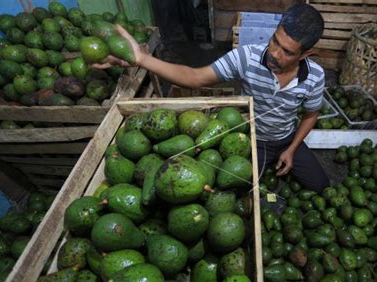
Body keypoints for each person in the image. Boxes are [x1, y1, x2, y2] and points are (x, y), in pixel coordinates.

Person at [94, 3, 330, 193]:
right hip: (249, 139)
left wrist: (291, 149)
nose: (275, 53)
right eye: (275, 40)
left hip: (286, 139)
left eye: (287, 51)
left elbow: (311, 114)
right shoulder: (247, 57)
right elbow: (194, 76)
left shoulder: (315, 76)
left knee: (321, 185)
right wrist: (143, 60)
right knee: (244, 192)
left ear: (305, 54)